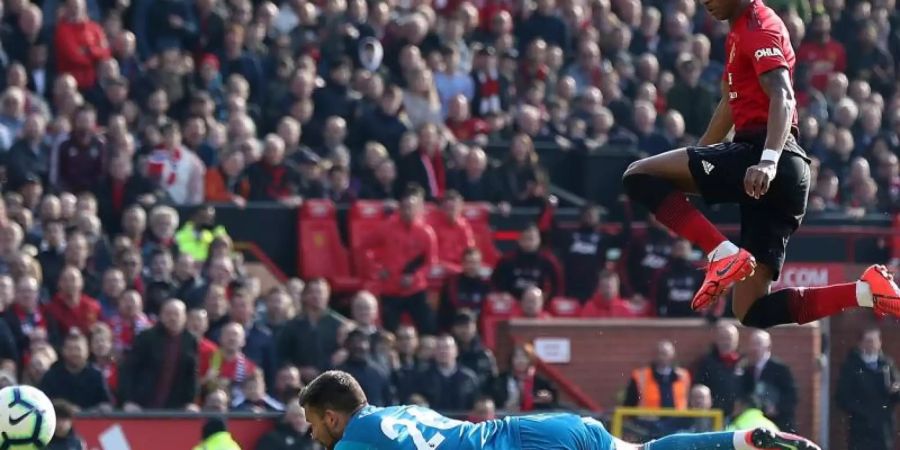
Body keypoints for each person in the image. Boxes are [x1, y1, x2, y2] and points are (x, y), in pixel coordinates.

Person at [621, 0, 900, 329]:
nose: (705, 2)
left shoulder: (758, 26)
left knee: (636, 176)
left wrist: (768, 160)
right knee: (751, 310)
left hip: (764, 156)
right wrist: (698, 162)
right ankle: (865, 292)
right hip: (779, 171)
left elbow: (783, 95)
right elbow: (729, 104)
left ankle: (721, 253)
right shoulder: (738, 31)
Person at [299, 370, 819, 450]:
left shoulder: (353, 441)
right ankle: (743, 441)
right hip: (556, 428)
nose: (311, 435)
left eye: (311, 424)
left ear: (331, 417)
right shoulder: (398, 410)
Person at [836, 327, 900, 450]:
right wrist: (861, 411)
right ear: (860, 343)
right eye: (868, 341)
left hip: (883, 426)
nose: (871, 345)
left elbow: (895, 392)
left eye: (874, 341)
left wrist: (895, 390)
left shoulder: (887, 364)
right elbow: (842, 397)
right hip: (860, 426)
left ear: (880, 343)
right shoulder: (852, 366)